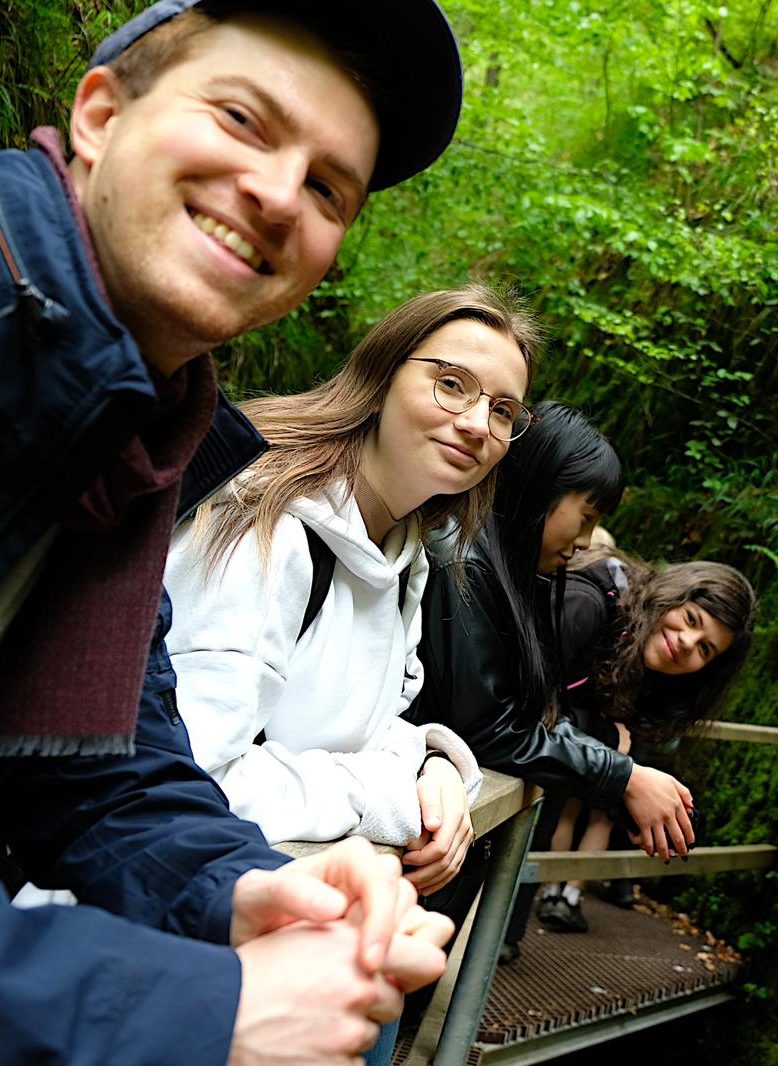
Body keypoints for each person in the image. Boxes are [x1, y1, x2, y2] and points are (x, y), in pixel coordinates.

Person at [0, 2, 466, 1061]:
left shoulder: (133, 436)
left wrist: (240, 884)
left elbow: (101, 766)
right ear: (99, 113)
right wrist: (190, 1008)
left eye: (325, 187)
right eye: (244, 121)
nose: (273, 193)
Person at [165, 286, 539, 891]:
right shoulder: (265, 526)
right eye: (452, 384)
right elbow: (191, 771)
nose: (476, 424)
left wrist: (431, 764)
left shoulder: (402, 558)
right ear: (383, 375)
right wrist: (389, 795)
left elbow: (363, 722)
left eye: (502, 410)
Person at [411, 402, 699, 868]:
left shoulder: (507, 569)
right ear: (542, 488)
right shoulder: (463, 561)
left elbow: (527, 710)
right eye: (585, 516)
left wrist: (622, 785)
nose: (586, 541)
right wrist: (623, 777)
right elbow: (491, 726)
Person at [536, 551, 758, 932]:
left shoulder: (637, 666)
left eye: (706, 648)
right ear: (673, 593)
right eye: (691, 619)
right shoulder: (587, 605)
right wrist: (619, 764)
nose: (688, 642)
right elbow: (519, 710)